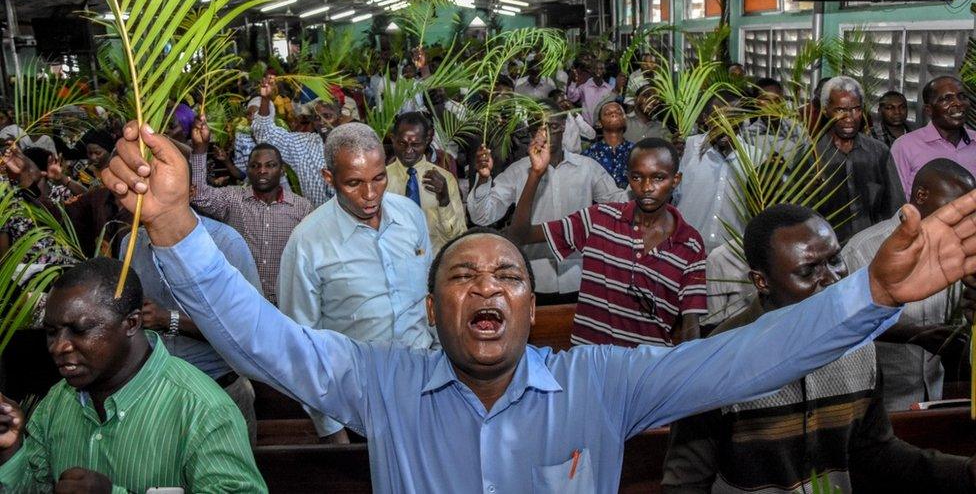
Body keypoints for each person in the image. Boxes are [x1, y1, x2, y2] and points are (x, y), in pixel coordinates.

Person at [102, 117, 976, 493]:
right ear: (435, 308)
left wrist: (870, 293)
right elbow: (266, 339)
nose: (488, 285)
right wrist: (177, 222)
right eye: (462, 276)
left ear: (530, 304)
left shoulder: (604, 383)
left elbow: (744, 358)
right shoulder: (378, 385)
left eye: (508, 276)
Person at [661, 204, 976, 493]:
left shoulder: (859, 344)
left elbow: (874, 451)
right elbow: (685, 485)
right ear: (761, 281)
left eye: (835, 260)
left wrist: (965, 473)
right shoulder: (713, 362)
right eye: (808, 270)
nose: (832, 279)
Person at [0, 258, 266, 492]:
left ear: (131, 323)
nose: (59, 346)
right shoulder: (56, 404)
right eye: (51, 332)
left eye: (79, 330)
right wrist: (10, 450)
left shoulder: (203, 410)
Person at [277, 122, 437, 441]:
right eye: (354, 183)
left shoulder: (410, 216)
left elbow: (430, 304)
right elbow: (301, 347)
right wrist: (333, 431)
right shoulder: (307, 243)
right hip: (359, 407)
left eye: (379, 178)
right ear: (329, 178)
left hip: (426, 391)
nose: (370, 194)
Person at [509, 136, 705, 346]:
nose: (647, 187)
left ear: (676, 180)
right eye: (638, 177)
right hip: (591, 364)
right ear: (628, 178)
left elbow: (691, 321)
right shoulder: (598, 219)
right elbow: (521, 234)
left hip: (647, 368)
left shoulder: (690, 243)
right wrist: (536, 174)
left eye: (658, 178)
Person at [843, 158, 976, 411]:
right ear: (921, 195)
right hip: (881, 403)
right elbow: (844, 325)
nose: (963, 219)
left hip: (934, 398)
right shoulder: (862, 250)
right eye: (956, 206)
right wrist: (915, 334)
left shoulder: (958, 250)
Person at [122, 210, 263, 444]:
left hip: (219, 389)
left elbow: (249, 331)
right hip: (154, 393)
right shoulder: (131, 242)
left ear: (189, 190)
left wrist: (170, 319)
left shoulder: (226, 242)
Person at [467, 101, 628, 304]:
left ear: (563, 127)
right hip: (536, 279)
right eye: (538, 128)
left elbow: (620, 205)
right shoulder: (519, 171)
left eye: (552, 127)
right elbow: (482, 216)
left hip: (581, 277)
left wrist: (644, 178)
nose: (545, 135)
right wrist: (483, 178)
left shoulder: (587, 168)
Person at [190, 116, 312, 304]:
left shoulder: (302, 208)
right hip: (240, 301)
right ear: (248, 170)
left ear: (282, 171)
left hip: (285, 305)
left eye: (270, 165)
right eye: (255, 166)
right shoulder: (233, 199)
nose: (262, 170)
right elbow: (198, 194)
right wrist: (200, 148)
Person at [815, 76, 905, 243]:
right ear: (826, 110)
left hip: (874, 248)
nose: (849, 117)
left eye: (856, 109)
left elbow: (895, 206)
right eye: (840, 110)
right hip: (829, 251)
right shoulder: (812, 155)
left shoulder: (878, 152)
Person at [676, 93, 764, 253]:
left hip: (732, 253)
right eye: (718, 118)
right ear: (706, 118)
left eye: (733, 118)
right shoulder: (689, 148)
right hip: (686, 246)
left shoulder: (755, 158)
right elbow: (672, 194)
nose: (726, 125)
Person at [386, 112, 465, 252]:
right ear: (393, 139)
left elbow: (458, 238)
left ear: (427, 140)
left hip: (432, 264)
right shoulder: (381, 179)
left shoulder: (445, 179)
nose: (408, 151)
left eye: (415, 144)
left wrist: (444, 201)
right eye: (402, 143)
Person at [251, 75, 335, 207]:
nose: (321, 122)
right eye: (317, 118)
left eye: (327, 116)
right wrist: (265, 99)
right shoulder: (304, 145)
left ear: (339, 116)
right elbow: (265, 134)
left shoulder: (354, 144)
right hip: (319, 223)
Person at [892, 76, 976, 198]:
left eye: (962, 97)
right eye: (946, 99)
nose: (958, 103)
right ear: (929, 110)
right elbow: (895, 202)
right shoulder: (905, 146)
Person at [584, 99, 636, 188]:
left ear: (625, 119)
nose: (614, 114)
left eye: (619, 112)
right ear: (599, 123)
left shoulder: (636, 152)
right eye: (608, 113)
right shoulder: (589, 154)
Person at [566, 59, 616, 124]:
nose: (598, 71)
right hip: (586, 127)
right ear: (592, 71)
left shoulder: (609, 89)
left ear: (604, 71)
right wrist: (573, 82)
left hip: (603, 127)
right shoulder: (584, 87)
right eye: (595, 68)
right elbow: (571, 98)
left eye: (601, 68)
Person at [550, 88, 596, 154]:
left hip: (577, 157)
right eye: (561, 102)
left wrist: (575, 114)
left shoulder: (574, 117)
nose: (565, 104)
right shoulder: (550, 122)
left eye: (566, 101)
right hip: (559, 158)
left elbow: (592, 135)